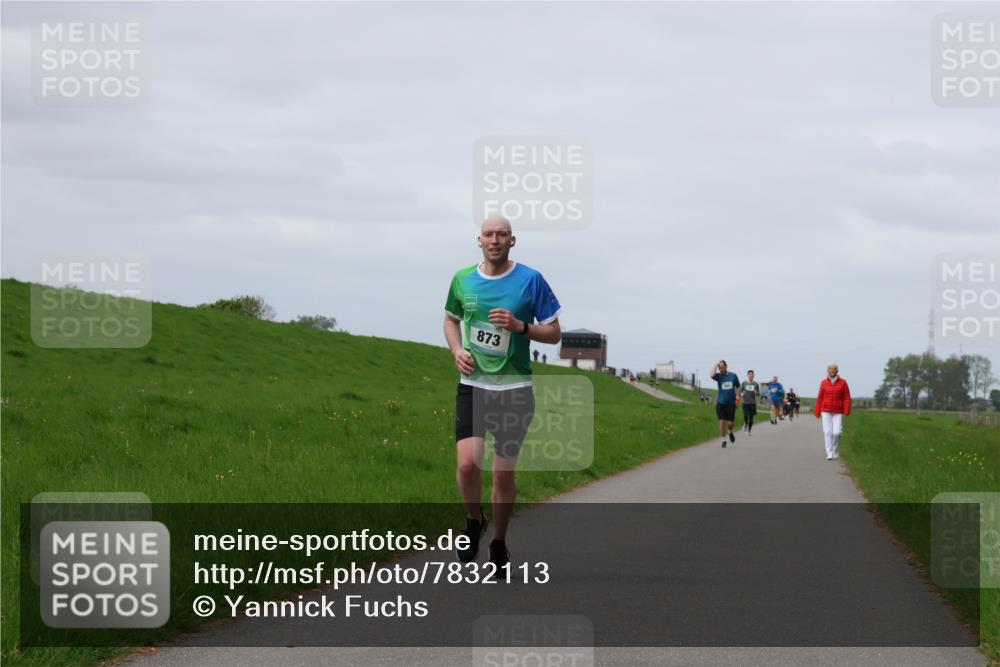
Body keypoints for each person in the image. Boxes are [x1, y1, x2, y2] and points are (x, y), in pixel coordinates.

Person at [443, 215, 562, 571]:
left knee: (502, 475)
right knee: (467, 464)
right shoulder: (463, 279)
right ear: (479, 240)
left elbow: (555, 333)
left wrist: (520, 326)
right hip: (473, 387)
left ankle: (498, 543)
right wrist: (456, 351)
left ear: (513, 241)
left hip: (514, 390)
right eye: (489, 234)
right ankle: (474, 521)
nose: (495, 240)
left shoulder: (530, 280)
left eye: (502, 235)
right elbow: (450, 318)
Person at [814, 363, 852, 460]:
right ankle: (829, 453)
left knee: (837, 432)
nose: (832, 371)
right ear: (827, 371)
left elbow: (846, 397)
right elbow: (820, 397)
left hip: (838, 411)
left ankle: (835, 450)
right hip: (825, 410)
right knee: (827, 432)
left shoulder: (843, 382)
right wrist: (817, 411)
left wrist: (847, 409)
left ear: (837, 371)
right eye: (830, 369)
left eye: (834, 369)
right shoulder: (823, 382)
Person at [710, 360, 740, 448]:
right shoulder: (718, 376)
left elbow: (738, 386)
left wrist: (738, 395)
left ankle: (730, 432)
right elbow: (711, 375)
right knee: (722, 421)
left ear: (726, 367)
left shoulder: (733, 376)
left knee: (730, 424)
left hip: (731, 403)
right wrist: (716, 364)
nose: (721, 369)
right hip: (721, 403)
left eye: (722, 367)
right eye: (719, 368)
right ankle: (723, 440)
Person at [739, 370, 761, 435]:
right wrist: (741, 394)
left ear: (753, 376)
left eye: (752, 374)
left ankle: (749, 431)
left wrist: (756, 392)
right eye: (750, 374)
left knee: (751, 417)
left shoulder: (756, 384)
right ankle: (746, 423)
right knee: (745, 415)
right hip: (745, 402)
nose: (751, 375)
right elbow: (740, 392)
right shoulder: (744, 383)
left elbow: (758, 394)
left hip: (752, 403)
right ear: (747, 375)